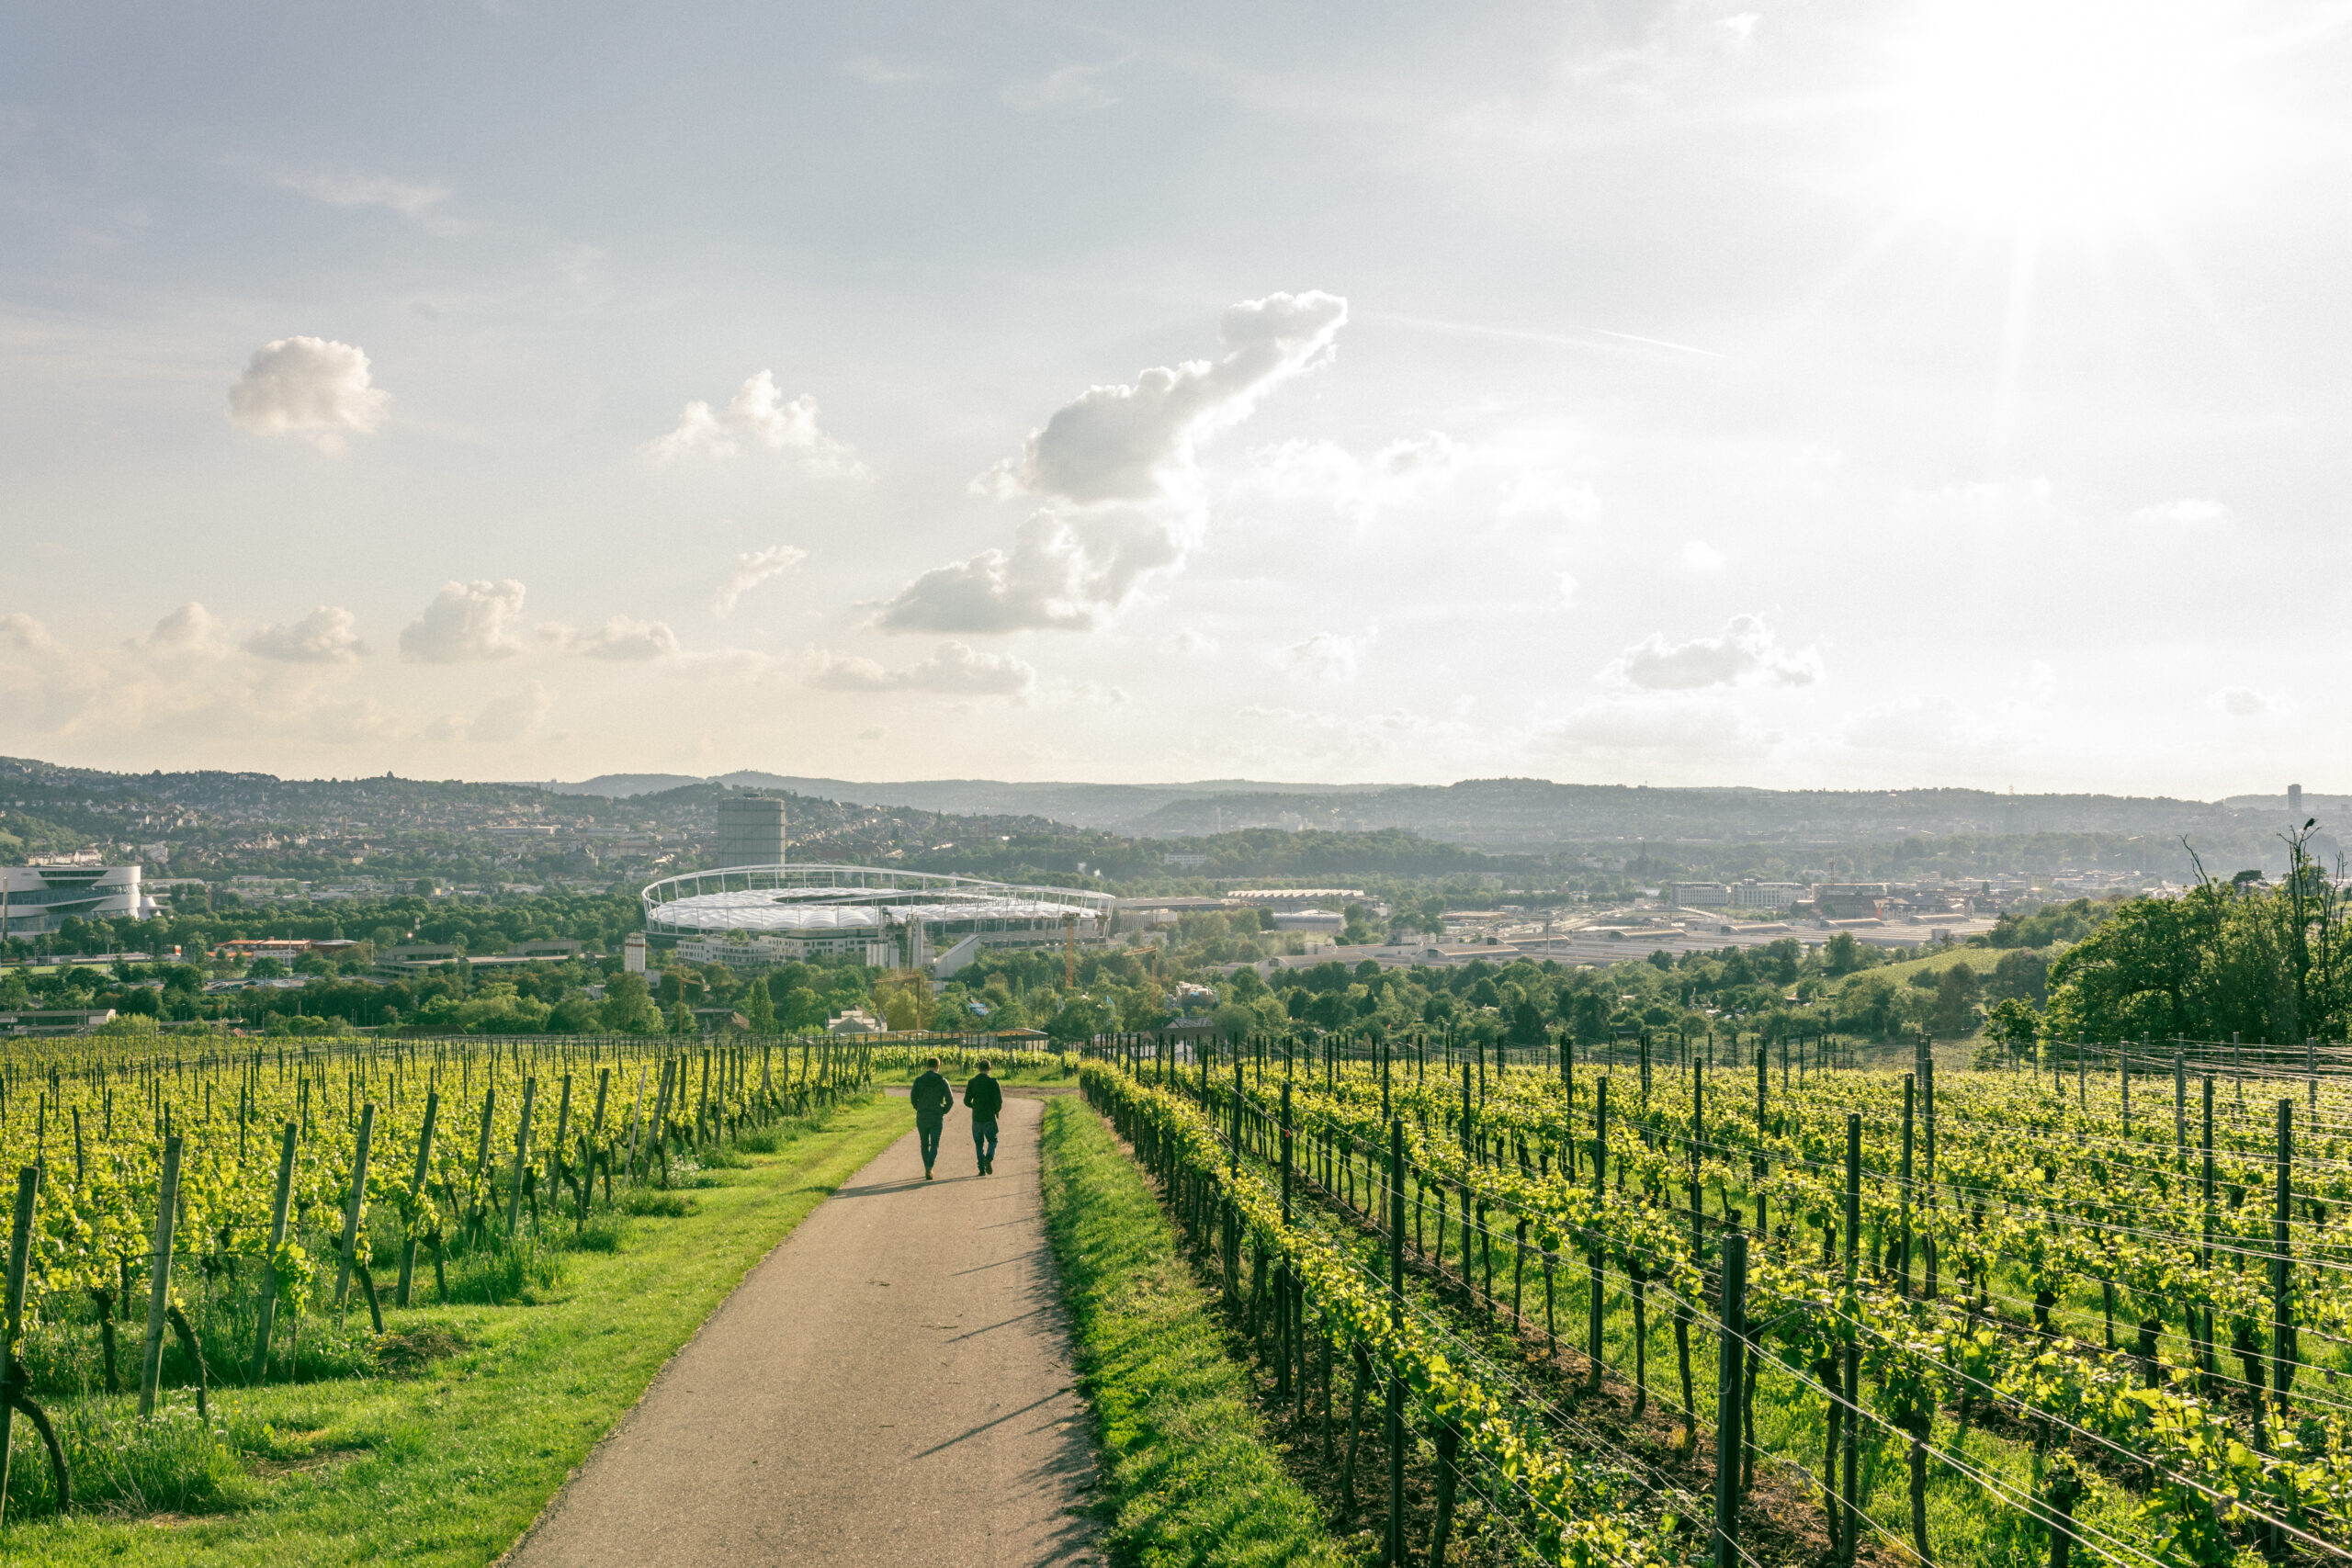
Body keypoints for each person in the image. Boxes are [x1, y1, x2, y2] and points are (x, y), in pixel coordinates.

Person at [910, 1057, 953, 1179]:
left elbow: (913, 1097)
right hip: (936, 1116)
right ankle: (929, 1166)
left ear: (927, 1066)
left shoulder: (919, 1080)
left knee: (924, 1144)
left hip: (922, 1115)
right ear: (938, 1066)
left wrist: (918, 1107)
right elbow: (950, 1100)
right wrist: (943, 1111)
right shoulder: (943, 1081)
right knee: (935, 1144)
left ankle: (927, 1168)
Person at [966, 1059, 1003, 1176]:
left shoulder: (972, 1082)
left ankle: (981, 1169)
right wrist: (995, 1111)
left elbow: (966, 1101)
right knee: (993, 1140)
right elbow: (999, 1102)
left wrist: (973, 1106)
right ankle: (989, 1157)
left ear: (979, 1069)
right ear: (990, 1068)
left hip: (976, 1117)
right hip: (989, 1117)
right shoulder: (993, 1083)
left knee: (979, 1143)